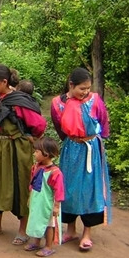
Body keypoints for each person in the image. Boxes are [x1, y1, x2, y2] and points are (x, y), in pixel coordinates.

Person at [0, 64, 47, 245]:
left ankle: (22, 230)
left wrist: (31, 138)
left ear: (4, 82)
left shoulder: (18, 101)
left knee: (20, 185)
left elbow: (39, 125)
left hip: (17, 148)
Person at [50, 67, 111, 252]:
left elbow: (103, 121)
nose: (85, 92)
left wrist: (97, 141)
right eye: (82, 88)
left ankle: (87, 233)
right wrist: (72, 140)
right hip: (71, 149)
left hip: (91, 149)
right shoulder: (57, 104)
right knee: (68, 187)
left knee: (89, 189)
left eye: (88, 88)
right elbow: (59, 128)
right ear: (71, 85)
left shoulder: (94, 100)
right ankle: (71, 229)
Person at [24, 137, 65, 257]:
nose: (34, 153)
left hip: (48, 204)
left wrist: (56, 206)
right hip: (37, 201)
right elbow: (32, 182)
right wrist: (30, 196)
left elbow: (59, 191)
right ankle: (36, 242)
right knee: (36, 220)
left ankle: (48, 246)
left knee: (49, 224)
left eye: (36, 151)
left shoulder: (55, 172)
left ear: (46, 154)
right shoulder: (36, 167)